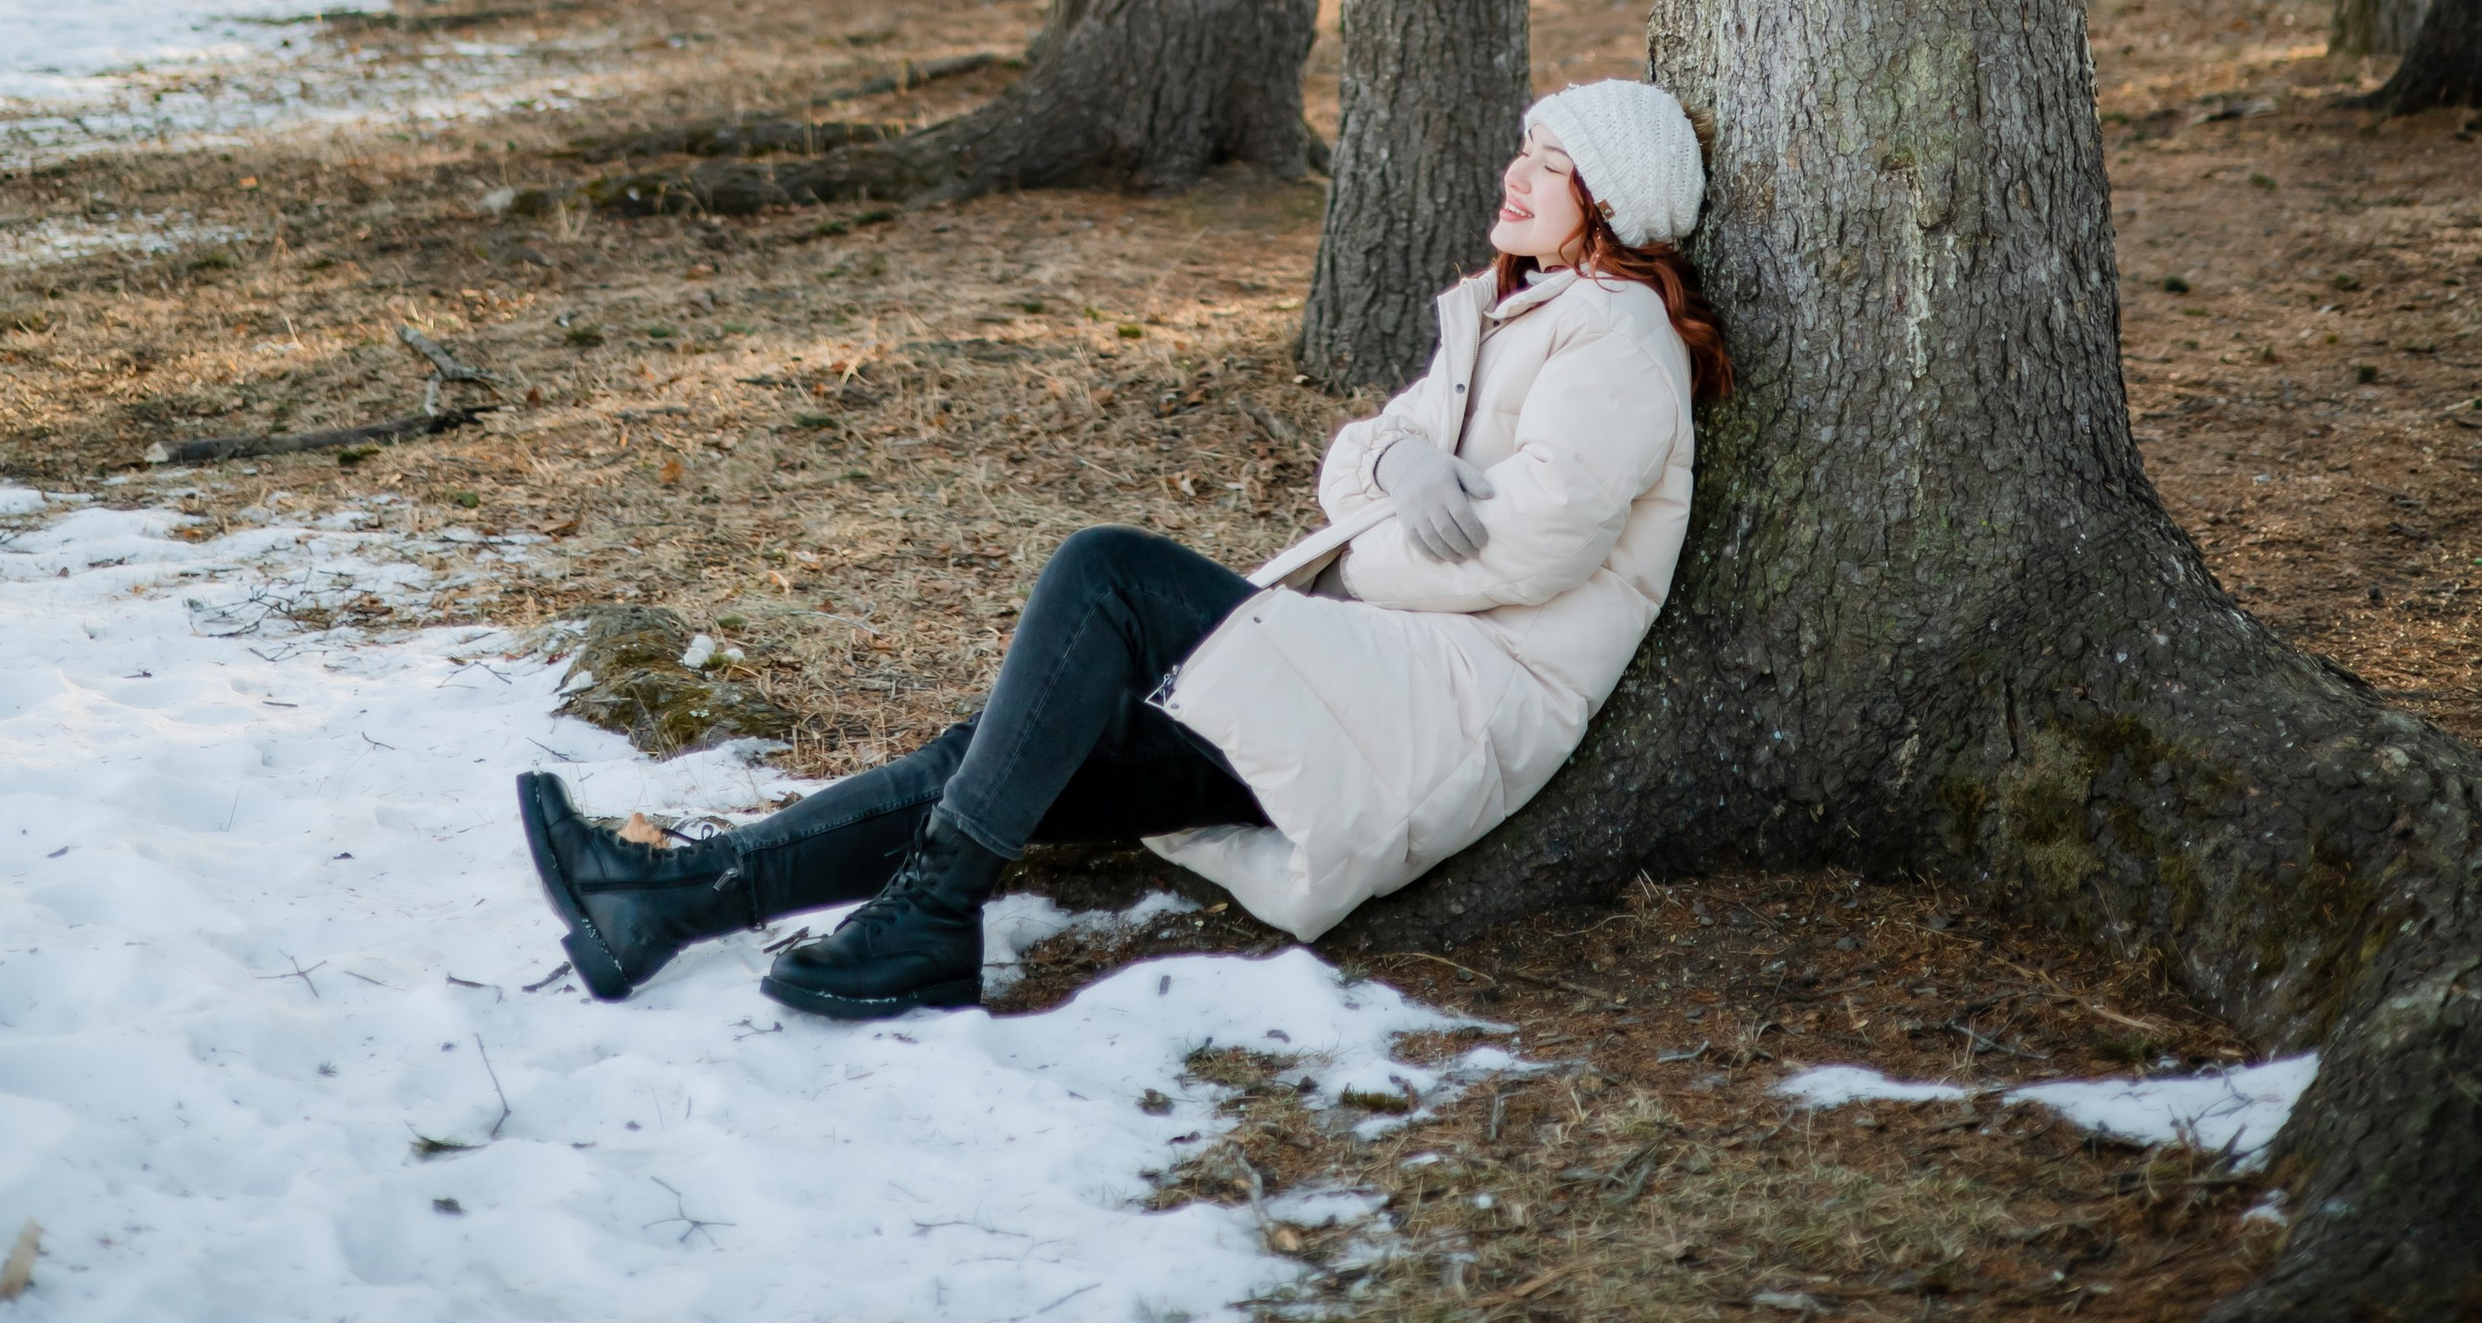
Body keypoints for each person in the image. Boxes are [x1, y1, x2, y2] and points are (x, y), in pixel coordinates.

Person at [517, 76, 1731, 1018]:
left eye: (1552, 162)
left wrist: (1365, 549)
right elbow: (1358, 453)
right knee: (1010, 751)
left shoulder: (1616, 336)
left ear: (1612, 201)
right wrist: (1401, 470)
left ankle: (934, 913)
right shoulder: (1503, 312)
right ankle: (668, 900)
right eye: (1524, 149)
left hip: (1453, 702)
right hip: (1374, 676)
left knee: (1109, 575)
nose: (1517, 173)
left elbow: (1529, 553)